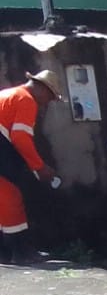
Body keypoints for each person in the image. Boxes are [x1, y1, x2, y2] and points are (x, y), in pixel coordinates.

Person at [0, 69, 62, 264]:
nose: (47, 103)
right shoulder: (26, 100)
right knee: (11, 200)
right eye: (50, 97)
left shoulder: (9, 95)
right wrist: (39, 167)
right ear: (42, 89)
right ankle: (21, 253)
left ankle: (7, 253)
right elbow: (20, 137)